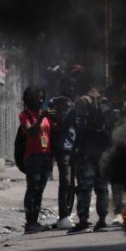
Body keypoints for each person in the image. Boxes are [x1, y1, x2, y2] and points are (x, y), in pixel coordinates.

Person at [65, 81, 113, 232]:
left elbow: (81, 127)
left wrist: (75, 149)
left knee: (84, 188)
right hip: (103, 152)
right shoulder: (104, 102)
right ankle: (102, 221)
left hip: (87, 152)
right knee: (102, 188)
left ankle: (83, 222)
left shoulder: (83, 101)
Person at [44, 73, 77, 230]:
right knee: (65, 181)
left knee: (71, 183)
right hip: (60, 147)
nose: (70, 89)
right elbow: (55, 124)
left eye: (72, 86)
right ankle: (63, 215)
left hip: (72, 146)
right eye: (68, 86)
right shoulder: (54, 103)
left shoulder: (73, 104)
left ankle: (67, 214)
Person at [18, 86, 52, 232]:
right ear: (30, 99)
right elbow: (30, 132)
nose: (41, 100)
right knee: (32, 188)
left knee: (40, 190)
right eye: (39, 97)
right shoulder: (25, 115)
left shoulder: (43, 115)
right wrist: (40, 118)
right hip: (33, 157)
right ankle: (29, 222)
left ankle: (35, 222)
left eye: (43, 97)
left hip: (45, 156)